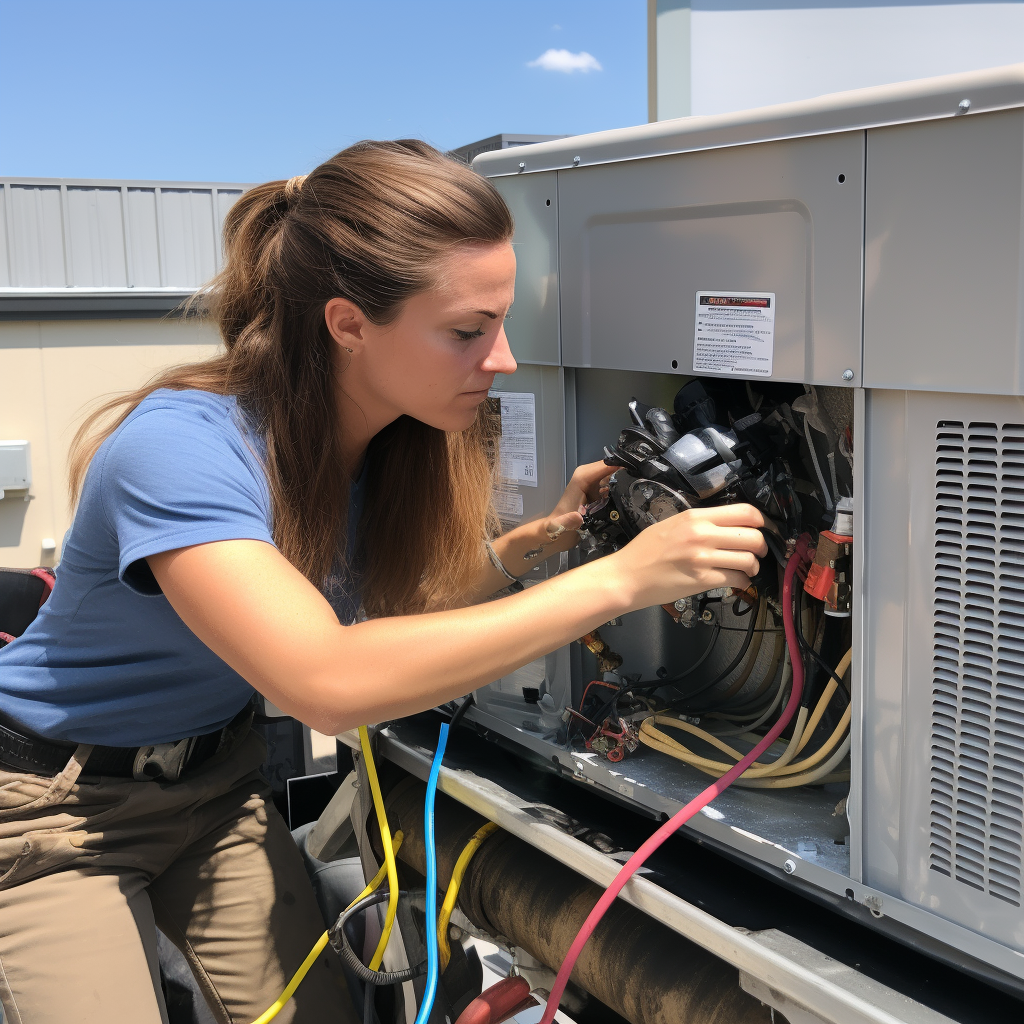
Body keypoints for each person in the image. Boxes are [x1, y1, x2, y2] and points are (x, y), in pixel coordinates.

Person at [0, 140, 767, 1024]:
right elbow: (326, 680)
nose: (504, 359)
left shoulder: (384, 448)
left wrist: (536, 545)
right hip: (54, 810)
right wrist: (621, 583)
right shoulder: (180, 449)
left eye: (502, 322)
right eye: (467, 331)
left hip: (213, 788)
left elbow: (396, 619)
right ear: (347, 323)